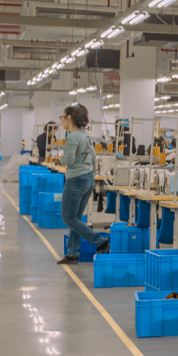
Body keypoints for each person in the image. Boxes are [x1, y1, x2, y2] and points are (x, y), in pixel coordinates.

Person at [57, 105, 107, 264]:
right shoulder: (86, 135)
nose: (61, 120)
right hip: (88, 179)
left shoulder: (72, 137)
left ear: (69, 118)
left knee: (68, 217)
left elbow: (70, 160)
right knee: (76, 218)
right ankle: (73, 253)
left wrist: (59, 160)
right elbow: (93, 158)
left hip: (76, 180)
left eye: (62, 116)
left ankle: (100, 242)